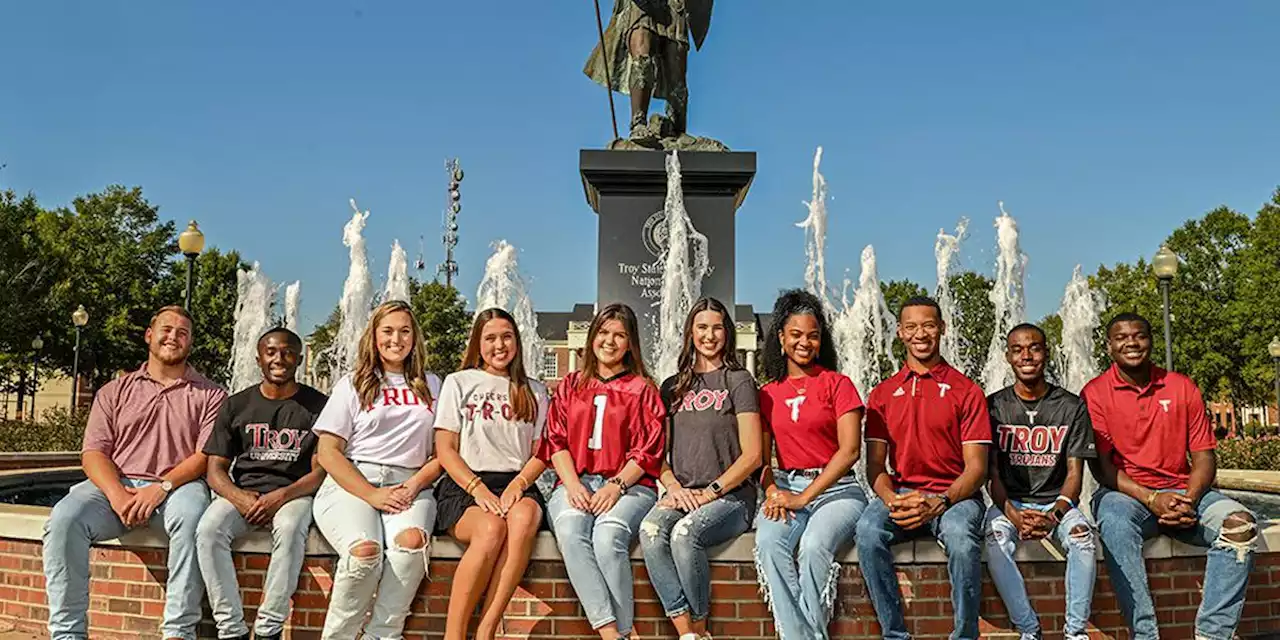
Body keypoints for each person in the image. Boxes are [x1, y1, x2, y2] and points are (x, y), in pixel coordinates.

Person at [43, 305, 227, 640]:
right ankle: (67, 633)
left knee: (195, 519)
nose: (173, 337)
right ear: (149, 336)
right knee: (64, 518)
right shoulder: (114, 391)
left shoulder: (211, 394)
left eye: (182, 333)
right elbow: (94, 453)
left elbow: (205, 455)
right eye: (167, 330)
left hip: (178, 487)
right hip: (118, 486)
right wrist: (115, 493)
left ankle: (178, 631)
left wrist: (162, 487)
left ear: (190, 344)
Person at [1084, 312, 1257, 640]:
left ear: (1150, 341)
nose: (1131, 343)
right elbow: (1102, 468)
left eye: (1139, 335)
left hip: (1182, 491)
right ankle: (1145, 634)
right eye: (1121, 337)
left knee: (1241, 525)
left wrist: (1188, 500)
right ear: (1109, 347)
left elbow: (1204, 456)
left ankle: (1212, 634)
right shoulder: (1094, 393)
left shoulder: (1181, 386)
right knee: (1116, 525)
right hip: (1127, 495)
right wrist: (1151, 498)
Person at [856, 296, 990, 640]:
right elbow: (874, 465)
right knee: (868, 533)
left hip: (955, 497)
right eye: (912, 326)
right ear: (900, 332)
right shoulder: (882, 394)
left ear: (942, 329)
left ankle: (965, 635)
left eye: (929, 325)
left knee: (961, 540)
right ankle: (895, 634)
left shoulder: (967, 391)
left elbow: (977, 469)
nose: (921, 334)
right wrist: (891, 500)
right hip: (901, 492)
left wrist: (940, 502)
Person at [311, 300, 443, 640]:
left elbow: (444, 453)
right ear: (374, 336)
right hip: (353, 484)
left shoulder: (433, 385)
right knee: (364, 552)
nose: (395, 339)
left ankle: (382, 635)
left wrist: (413, 486)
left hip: (411, 485)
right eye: (387, 331)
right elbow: (328, 452)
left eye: (404, 331)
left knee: (412, 543)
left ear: (415, 338)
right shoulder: (352, 383)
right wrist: (372, 494)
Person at [539, 303, 666, 640]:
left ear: (630, 343)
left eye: (620, 335)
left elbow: (649, 450)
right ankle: (615, 633)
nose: (610, 341)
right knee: (570, 529)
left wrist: (616, 486)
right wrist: (572, 486)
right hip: (575, 479)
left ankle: (618, 634)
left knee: (608, 537)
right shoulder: (570, 385)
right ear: (593, 336)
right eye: (604, 333)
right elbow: (556, 440)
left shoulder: (642, 389)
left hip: (630, 485)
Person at [640, 298, 763, 640]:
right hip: (684, 495)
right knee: (650, 530)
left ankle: (699, 628)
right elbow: (659, 455)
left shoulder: (739, 381)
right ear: (690, 333)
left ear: (728, 333)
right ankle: (689, 635)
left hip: (732, 497)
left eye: (717, 327)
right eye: (702, 327)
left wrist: (711, 492)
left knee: (684, 535)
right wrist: (674, 488)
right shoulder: (672, 386)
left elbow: (753, 455)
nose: (710, 336)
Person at [196, 327, 328, 640]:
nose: (279, 359)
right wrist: (239, 497)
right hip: (244, 493)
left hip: (294, 493)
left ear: (299, 358)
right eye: (271, 352)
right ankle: (231, 630)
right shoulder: (236, 405)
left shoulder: (318, 406)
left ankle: (269, 629)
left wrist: (281, 496)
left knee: (290, 528)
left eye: (287, 352)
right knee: (208, 530)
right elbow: (215, 470)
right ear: (259, 359)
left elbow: (320, 472)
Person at [751, 289, 867, 640]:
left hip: (839, 490)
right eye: (796, 335)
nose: (805, 342)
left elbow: (849, 452)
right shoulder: (767, 393)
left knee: (816, 546)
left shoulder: (838, 385)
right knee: (770, 545)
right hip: (787, 487)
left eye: (813, 335)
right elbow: (761, 459)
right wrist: (772, 490)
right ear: (782, 339)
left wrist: (803, 499)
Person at [434, 308, 550, 640]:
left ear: (517, 341)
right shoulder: (458, 382)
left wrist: (519, 484)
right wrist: (478, 489)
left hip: (517, 481)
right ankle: (454, 635)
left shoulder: (535, 390)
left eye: (507, 336)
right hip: (465, 483)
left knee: (525, 518)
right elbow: (445, 449)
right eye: (490, 338)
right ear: (477, 343)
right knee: (490, 529)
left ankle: (486, 630)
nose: (499, 345)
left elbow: (542, 452)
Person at [984, 324, 1097, 640]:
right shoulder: (992, 406)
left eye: (1034, 347)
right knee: (994, 541)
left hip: (1055, 501)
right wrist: (1012, 514)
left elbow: (1075, 474)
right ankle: (1028, 628)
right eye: (1018, 349)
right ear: (1008, 357)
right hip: (1011, 502)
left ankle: (1076, 632)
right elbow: (991, 473)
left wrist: (1055, 515)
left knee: (1082, 537)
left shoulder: (1071, 406)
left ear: (1046, 352)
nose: (1027, 355)